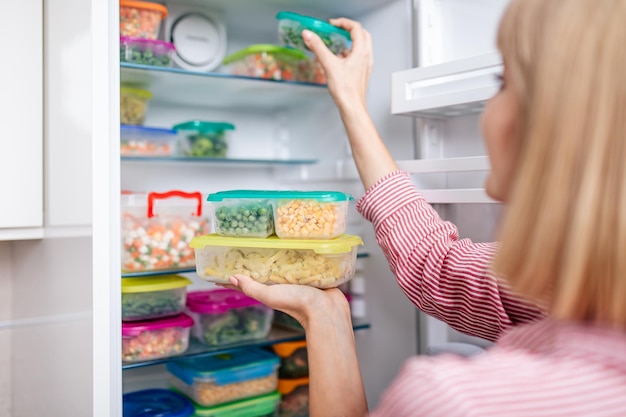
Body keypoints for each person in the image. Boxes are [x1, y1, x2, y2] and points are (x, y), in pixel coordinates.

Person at [220, 0, 626, 415]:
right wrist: (325, 312)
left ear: (553, 123)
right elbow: (437, 265)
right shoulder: (575, 293)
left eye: (502, 82)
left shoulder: (452, 401)